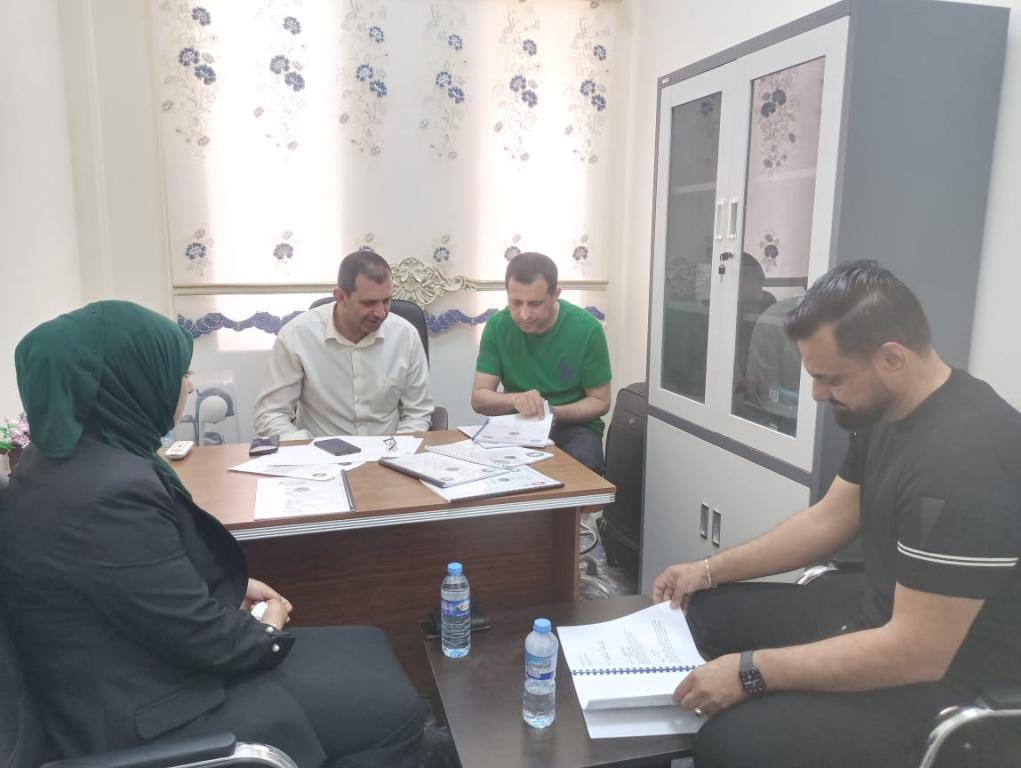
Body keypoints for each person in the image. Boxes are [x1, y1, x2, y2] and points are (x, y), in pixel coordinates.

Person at [0, 301, 423, 767]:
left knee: (368, 641)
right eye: (181, 373)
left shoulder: (59, 462)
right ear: (130, 380)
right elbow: (206, 638)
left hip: (137, 665)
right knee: (397, 706)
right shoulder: (106, 494)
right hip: (153, 712)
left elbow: (133, 586)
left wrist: (230, 590)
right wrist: (268, 628)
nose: (189, 385)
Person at [652, 261, 1021, 767]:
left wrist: (751, 672)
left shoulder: (967, 461)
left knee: (731, 744)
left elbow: (916, 652)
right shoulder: (887, 410)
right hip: (878, 618)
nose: (817, 394)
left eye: (830, 379)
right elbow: (827, 520)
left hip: (950, 676)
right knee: (701, 613)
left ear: (892, 358)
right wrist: (707, 569)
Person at [254, 250, 433, 439]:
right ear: (340, 297)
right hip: (320, 451)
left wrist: (399, 448)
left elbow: (418, 412)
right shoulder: (297, 335)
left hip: (388, 449)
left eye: (387, 301)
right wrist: (305, 447)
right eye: (369, 303)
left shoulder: (405, 335)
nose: (380, 313)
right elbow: (271, 413)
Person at [471, 251, 612, 473]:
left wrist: (551, 411)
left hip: (574, 427)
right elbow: (479, 398)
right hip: (517, 423)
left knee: (581, 473)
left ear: (555, 294)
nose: (524, 314)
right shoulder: (497, 326)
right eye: (516, 302)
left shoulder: (587, 330)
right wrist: (516, 399)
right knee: (489, 473)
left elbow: (600, 401)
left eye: (534, 304)